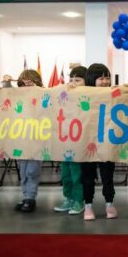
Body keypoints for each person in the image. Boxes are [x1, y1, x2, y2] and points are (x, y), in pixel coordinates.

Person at [82, 63, 117, 220]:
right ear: (91, 79)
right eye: (101, 78)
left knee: (107, 175)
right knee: (87, 176)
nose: (105, 81)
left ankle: (109, 203)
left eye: (107, 78)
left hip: (106, 142)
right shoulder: (81, 93)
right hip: (86, 142)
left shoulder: (113, 93)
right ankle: (88, 205)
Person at [53, 66, 87, 215]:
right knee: (65, 174)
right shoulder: (64, 94)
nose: (73, 83)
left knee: (77, 174)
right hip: (65, 142)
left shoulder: (89, 96)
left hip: (79, 143)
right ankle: (69, 198)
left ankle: (79, 200)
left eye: (78, 80)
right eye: (71, 79)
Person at [12, 69, 45, 213]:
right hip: (21, 139)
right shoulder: (17, 96)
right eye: (23, 83)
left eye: (30, 82)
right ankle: (26, 196)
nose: (26, 85)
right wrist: (7, 82)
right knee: (23, 170)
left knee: (32, 170)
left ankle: (31, 197)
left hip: (36, 139)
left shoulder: (43, 94)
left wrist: (35, 88)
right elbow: (5, 95)